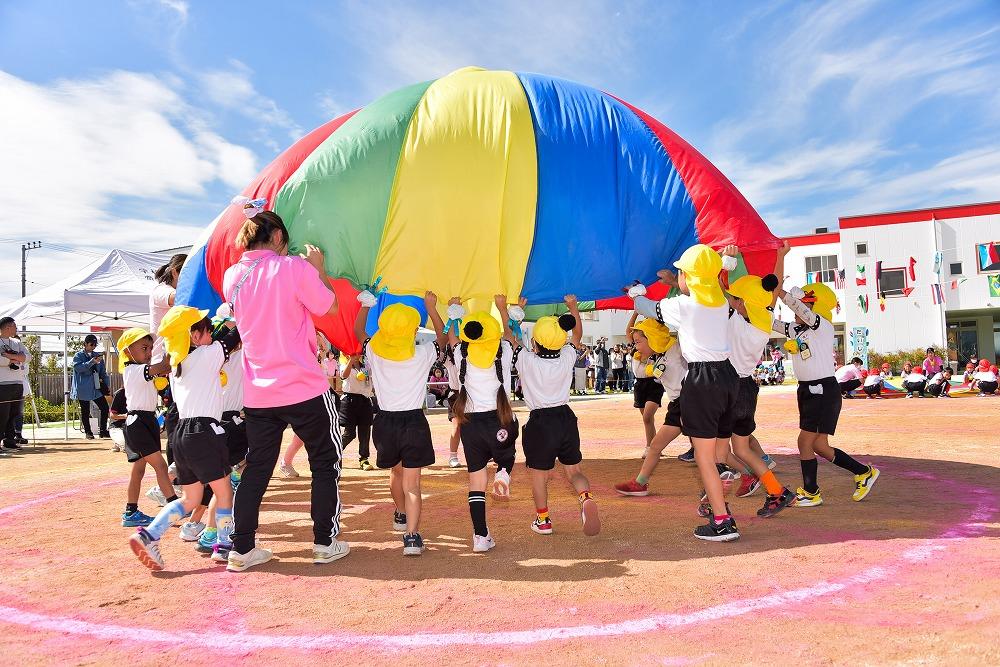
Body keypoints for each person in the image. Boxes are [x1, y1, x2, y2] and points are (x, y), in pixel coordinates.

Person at [222, 200, 347, 572]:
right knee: (326, 462)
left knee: (257, 468)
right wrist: (319, 270)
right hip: (304, 385)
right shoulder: (293, 267)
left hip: (259, 391)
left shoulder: (233, 276)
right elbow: (329, 308)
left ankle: (241, 548)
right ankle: (325, 542)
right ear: (277, 236)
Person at [631, 245, 741, 542]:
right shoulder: (721, 303)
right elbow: (713, 286)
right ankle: (721, 494)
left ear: (690, 278)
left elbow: (646, 308)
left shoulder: (683, 306)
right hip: (728, 376)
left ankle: (722, 520)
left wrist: (635, 292)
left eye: (682, 272)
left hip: (702, 379)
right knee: (717, 451)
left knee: (703, 456)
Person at [128, 306, 242, 570]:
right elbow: (235, 336)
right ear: (194, 335)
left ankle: (149, 535)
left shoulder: (178, 364)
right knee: (224, 491)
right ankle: (225, 546)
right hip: (205, 432)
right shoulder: (208, 353)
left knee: (190, 498)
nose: (212, 335)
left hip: (181, 434)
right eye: (207, 330)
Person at [771, 282, 880, 507]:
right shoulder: (797, 329)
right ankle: (863, 472)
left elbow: (802, 310)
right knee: (820, 446)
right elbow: (770, 324)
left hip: (821, 390)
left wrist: (779, 291)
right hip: (807, 390)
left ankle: (811, 492)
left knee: (804, 441)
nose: (798, 310)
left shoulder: (823, 326)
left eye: (806, 305)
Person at [355, 292, 446, 556]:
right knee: (413, 485)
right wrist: (431, 308)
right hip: (413, 422)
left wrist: (365, 305)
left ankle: (400, 514)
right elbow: (442, 339)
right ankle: (412, 538)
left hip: (384, 421)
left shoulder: (373, 350)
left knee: (394, 473)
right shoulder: (422, 353)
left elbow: (359, 330)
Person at [503, 294, 600, 537]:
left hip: (540, 422)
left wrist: (507, 310)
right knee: (575, 472)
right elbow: (576, 336)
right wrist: (574, 308)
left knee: (539, 476)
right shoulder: (567, 356)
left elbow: (509, 336)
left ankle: (543, 519)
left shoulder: (525, 359)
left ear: (534, 342)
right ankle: (585, 497)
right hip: (565, 418)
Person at [715, 245, 794, 517]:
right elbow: (773, 287)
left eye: (737, 299)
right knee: (741, 448)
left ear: (744, 304)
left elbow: (716, 293)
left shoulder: (744, 315)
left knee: (717, 451)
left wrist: (725, 266)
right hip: (747, 387)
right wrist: (780, 258)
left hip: (730, 388)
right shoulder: (764, 315)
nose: (733, 301)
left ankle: (713, 504)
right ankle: (777, 491)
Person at [449, 300, 518, 553]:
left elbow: (453, 338)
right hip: (500, 418)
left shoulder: (462, 355)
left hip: (471, 425)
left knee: (476, 481)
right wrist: (502, 310)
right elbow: (510, 336)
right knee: (508, 453)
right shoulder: (502, 351)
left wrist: (455, 314)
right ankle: (503, 471)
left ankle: (480, 536)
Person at [613, 317, 688, 496]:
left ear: (652, 338)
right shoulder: (657, 356)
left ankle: (749, 474)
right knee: (655, 446)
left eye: (639, 342)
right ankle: (640, 483)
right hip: (677, 404)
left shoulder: (677, 349)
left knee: (715, 451)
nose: (636, 346)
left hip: (691, 402)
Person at [116, 328, 176, 528]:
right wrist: (171, 341)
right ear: (127, 351)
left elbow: (164, 369)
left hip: (145, 421)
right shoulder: (134, 370)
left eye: (150, 348)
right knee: (160, 466)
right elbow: (165, 365)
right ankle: (174, 507)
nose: (149, 352)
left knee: (139, 469)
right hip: (138, 423)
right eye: (144, 348)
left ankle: (130, 512)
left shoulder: (142, 370)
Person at [150, 254, 187, 466]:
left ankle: (177, 468)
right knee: (176, 415)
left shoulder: (166, 290)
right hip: (163, 364)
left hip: (172, 361)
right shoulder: (162, 291)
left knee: (179, 414)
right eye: (186, 274)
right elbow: (181, 299)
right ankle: (175, 469)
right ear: (175, 272)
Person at [626, 311, 665, 454]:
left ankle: (650, 447)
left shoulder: (655, 349)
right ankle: (653, 446)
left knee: (648, 416)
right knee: (647, 419)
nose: (636, 344)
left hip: (654, 384)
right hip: (639, 384)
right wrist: (636, 313)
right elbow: (628, 331)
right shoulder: (636, 347)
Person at [71, 334, 111, 439]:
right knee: (85, 411)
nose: (93, 347)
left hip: (96, 387)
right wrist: (91, 362)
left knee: (105, 407)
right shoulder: (78, 356)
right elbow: (79, 368)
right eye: (91, 344)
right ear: (85, 344)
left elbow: (103, 372)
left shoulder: (97, 356)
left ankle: (103, 430)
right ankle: (88, 432)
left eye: (95, 345)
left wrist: (107, 386)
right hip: (83, 388)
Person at [340, 353, 375, 471]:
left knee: (364, 432)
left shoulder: (366, 366)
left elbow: (372, 378)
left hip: (365, 401)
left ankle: (364, 459)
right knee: (349, 433)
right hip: (349, 401)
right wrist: (350, 361)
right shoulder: (344, 364)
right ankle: (334, 453)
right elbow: (343, 376)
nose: (356, 355)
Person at [0, 317, 28, 452]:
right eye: (15, 326)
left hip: (17, 383)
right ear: (8, 327)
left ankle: (10, 441)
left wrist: (12, 357)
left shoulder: (17, 342)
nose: (16, 329)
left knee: (14, 413)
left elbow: (27, 357)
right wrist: (13, 360)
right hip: (2, 384)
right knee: (2, 414)